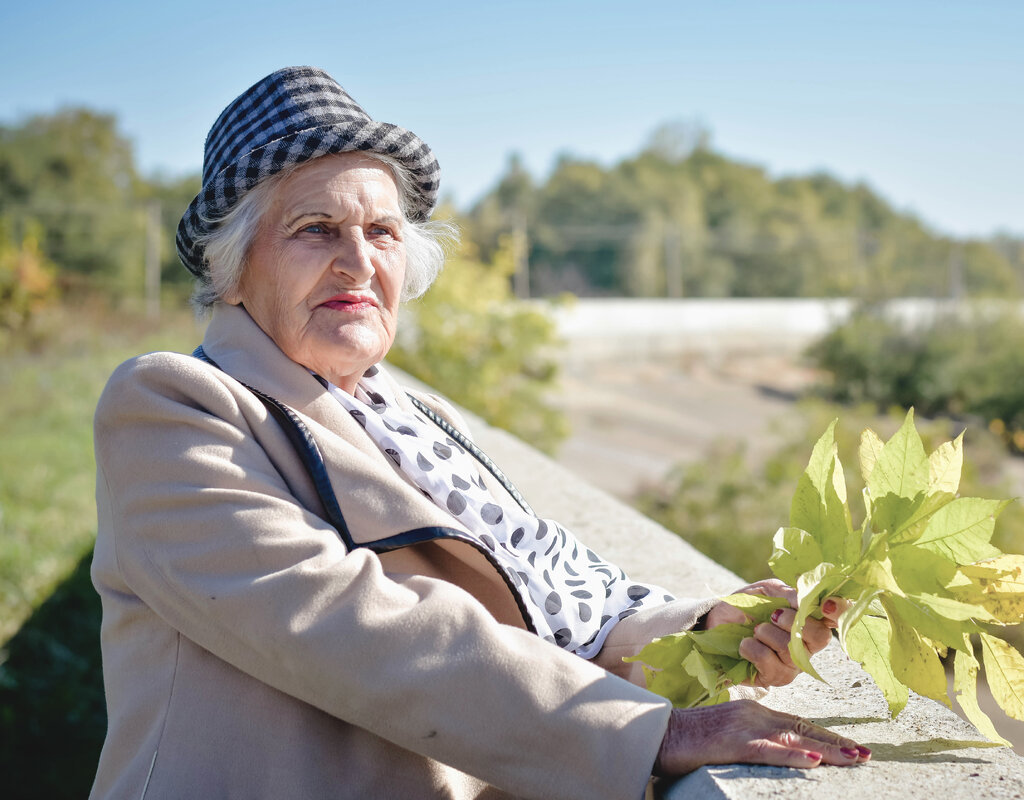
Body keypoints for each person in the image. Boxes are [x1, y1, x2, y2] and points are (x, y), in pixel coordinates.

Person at [90, 66, 868, 800]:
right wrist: (644, 734)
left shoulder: (422, 419)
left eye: (384, 232)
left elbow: (562, 602)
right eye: (316, 229)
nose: (358, 263)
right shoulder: (174, 407)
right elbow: (347, 624)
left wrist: (708, 629)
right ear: (232, 268)